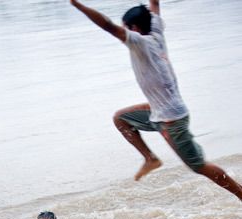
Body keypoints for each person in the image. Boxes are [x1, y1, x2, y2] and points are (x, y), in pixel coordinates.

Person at [70, 0, 242, 201]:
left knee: (199, 165)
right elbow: (155, 4)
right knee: (121, 119)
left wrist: (78, 6)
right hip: (161, 111)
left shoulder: (139, 42)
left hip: (171, 120)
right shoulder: (156, 31)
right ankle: (150, 158)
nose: (124, 32)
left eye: (125, 27)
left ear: (133, 29)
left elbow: (107, 25)